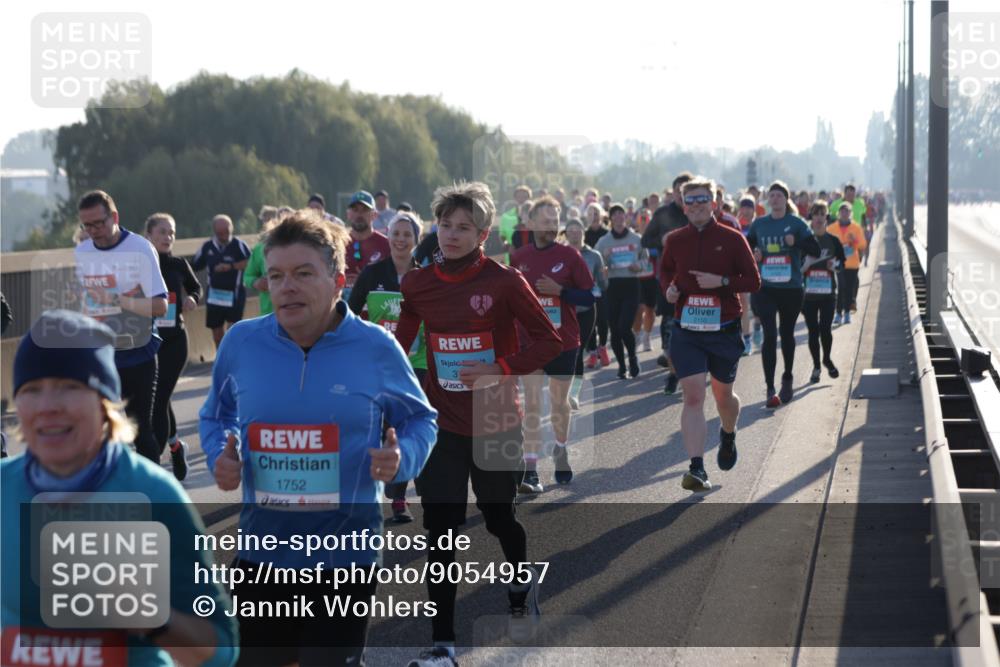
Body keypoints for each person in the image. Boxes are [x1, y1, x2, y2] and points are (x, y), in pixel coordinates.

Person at [200, 209, 437, 666]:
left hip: (344, 559)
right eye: (276, 275)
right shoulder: (242, 343)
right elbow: (215, 416)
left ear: (338, 278)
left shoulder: (375, 348)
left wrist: (400, 458)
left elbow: (420, 421)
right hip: (262, 555)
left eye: (303, 273)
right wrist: (220, 454)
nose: (286, 286)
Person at [3, 310, 237, 666]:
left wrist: (149, 616)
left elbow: (220, 651)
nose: (48, 406)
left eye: (70, 387)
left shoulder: (152, 493)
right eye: (32, 390)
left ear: (105, 403)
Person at [394, 182, 561, 667]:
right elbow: (400, 347)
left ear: (483, 233)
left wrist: (499, 368)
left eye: (463, 227)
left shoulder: (505, 281)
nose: (450, 234)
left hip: (495, 418)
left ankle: (520, 581)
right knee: (439, 532)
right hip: (439, 424)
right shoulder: (418, 284)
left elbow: (548, 342)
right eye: (445, 225)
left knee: (498, 518)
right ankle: (443, 644)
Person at [660, 177, 761, 491]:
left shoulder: (732, 238)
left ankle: (728, 434)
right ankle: (697, 468)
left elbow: (753, 281)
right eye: (690, 200)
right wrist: (670, 290)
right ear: (683, 206)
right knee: (693, 396)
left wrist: (722, 281)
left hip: (723, 329)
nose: (696, 205)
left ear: (714, 202)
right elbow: (664, 272)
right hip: (687, 329)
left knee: (723, 397)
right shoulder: (675, 240)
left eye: (703, 199)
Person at [74, 190, 168, 463]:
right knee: (104, 433)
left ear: (114, 217)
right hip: (102, 355)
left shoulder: (139, 248)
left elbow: (159, 306)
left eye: (99, 223)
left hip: (138, 352)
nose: (93, 231)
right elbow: (88, 304)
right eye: (86, 225)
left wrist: (116, 299)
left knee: (140, 432)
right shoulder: (82, 252)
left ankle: (155, 497)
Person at [348, 211, 428, 523]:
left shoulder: (425, 276)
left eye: (407, 234)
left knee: (404, 427)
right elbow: (350, 311)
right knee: (380, 427)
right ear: (389, 236)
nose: (400, 240)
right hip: (379, 364)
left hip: (417, 364)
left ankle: (398, 498)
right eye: (396, 233)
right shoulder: (372, 273)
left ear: (416, 240)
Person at [511, 196, 595, 493]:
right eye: (546, 221)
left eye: (555, 220)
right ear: (531, 223)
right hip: (529, 341)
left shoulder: (571, 256)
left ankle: (560, 449)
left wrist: (562, 291)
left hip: (563, 342)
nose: (552, 226)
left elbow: (591, 295)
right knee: (532, 405)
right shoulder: (518, 257)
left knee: (559, 404)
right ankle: (531, 469)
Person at [746, 181, 821, 407]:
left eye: (779, 195)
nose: (775, 199)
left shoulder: (796, 223)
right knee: (770, 335)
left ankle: (787, 378)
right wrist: (755, 254)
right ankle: (769, 387)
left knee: (786, 334)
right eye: (772, 195)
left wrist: (795, 242)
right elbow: (746, 250)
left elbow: (815, 250)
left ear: (786, 200)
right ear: (768, 199)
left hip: (791, 288)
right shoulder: (759, 224)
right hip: (766, 288)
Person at [146, 213, 202, 480]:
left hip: (175, 341)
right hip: (147, 341)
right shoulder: (140, 265)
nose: (168, 237)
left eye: (171, 232)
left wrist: (191, 298)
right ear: (149, 236)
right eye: (162, 232)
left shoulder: (179, 264)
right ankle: (176, 448)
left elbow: (197, 288)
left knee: (158, 401)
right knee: (159, 400)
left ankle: (153, 461)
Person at [642, 172, 693, 394]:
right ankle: (669, 358)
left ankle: (683, 368)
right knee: (670, 318)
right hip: (668, 274)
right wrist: (660, 240)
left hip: (694, 276)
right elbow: (645, 240)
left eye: (686, 191)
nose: (682, 196)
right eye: (678, 191)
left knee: (690, 322)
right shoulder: (663, 213)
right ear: (673, 193)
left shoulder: (696, 212)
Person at [595, 203, 648, 379]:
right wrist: (605, 265)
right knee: (615, 330)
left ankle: (632, 358)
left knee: (624, 327)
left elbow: (645, 260)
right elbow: (597, 265)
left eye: (621, 214)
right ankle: (621, 365)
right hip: (612, 287)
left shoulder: (636, 238)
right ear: (610, 219)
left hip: (631, 285)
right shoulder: (603, 241)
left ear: (626, 217)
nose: (618, 217)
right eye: (615, 214)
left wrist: (638, 266)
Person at [563, 219, 605, 410]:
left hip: (586, 310)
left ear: (583, 231)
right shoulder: (559, 254)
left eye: (577, 229)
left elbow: (603, 284)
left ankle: (574, 393)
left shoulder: (594, 255)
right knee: (563, 353)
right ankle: (561, 391)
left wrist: (598, 284)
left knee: (578, 352)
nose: (574, 233)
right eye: (570, 230)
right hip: (564, 311)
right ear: (565, 234)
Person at [191, 214, 251, 349]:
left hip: (234, 294)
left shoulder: (239, 245)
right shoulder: (207, 246)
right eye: (220, 233)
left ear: (232, 228)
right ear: (214, 231)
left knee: (233, 331)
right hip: (215, 296)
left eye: (226, 232)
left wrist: (231, 266)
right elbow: (194, 265)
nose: (224, 235)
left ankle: (233, 358)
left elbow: (250, 263)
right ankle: (221, 357)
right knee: (217, 332)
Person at [801, 201, 845, 382]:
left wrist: (833, 265)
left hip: (828, 294)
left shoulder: (833, 241)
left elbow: (842, 264)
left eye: (822, 214)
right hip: (808, 295)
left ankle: (827, 359)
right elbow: (797, 269)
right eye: (815, 214)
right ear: (811, 217)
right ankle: (817, 366)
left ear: (826, 217)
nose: (819, 218)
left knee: (825, 329)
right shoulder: (805, 241)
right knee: (813, 331)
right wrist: (808, 264)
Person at [344, 190, 391, 302]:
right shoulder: (338, 243)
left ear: (374, 215)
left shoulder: (387, 245)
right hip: (343, 311)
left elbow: (395, 281)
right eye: (355, 210)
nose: (359, 214)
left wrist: (368, 281)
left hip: (375, 310)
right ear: (348, 214)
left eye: (365, 210)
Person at [826, 201, 868, 324]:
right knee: (841, 287)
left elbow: (863, 245)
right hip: (839, 262)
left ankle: (847, 313)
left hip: (853, 263)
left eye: (847, 211)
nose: (844, 214)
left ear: (851, 213)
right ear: (839, 213)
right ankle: (838, 313)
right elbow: (827, 244)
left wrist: (855, 241)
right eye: (842, 211)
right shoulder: (832, 228)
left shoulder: (856, 227)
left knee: (849, 288)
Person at [583, 203, 611, 368]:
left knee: (603, 319)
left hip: (602, 281)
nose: (593, 215)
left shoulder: (607, 235)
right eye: (590, 213)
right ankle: (592, 352)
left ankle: (603, 348)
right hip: (586, 283)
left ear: (601, 215)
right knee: (590, 319)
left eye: (596, 213)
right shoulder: (583, 234)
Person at [243, 205, 281, 316]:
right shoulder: (259, 248)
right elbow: (246, 277)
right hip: (268, 313)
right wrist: (256, 282)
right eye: (264, 220)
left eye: (271, 219)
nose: (267, 224)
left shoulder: (298, 247)